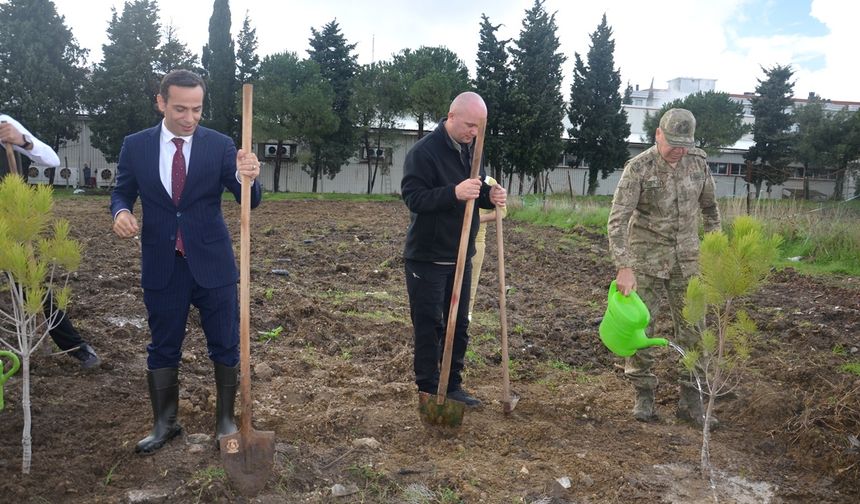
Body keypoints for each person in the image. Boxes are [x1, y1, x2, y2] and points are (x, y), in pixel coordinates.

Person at [110, 69, 262, 454]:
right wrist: (121, 212)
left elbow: (250, 199)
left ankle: (225, 420)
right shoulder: (136, 146)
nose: (189, 118)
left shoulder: (220, 145)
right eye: (180, 109)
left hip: (213, 263)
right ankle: (165, 423)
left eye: (197, 109)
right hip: (163, 263)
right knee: (163, 346)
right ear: (161, 103)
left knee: (225, 343)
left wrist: (248, 176)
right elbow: (121, 191)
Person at [607, 108, 721, 427]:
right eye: (672, 143)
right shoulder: (639, 168)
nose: (678, 150)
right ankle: (643, 395)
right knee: (641, 329)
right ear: (658, 134)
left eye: (684, 144)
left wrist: (715, 252)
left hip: (688, 262)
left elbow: (711, 212)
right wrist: (624, 266)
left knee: (694, 330)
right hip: (646, 263)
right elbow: (617, 221)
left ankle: (691, 401)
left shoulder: (698, 164)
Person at [401, 91, 507, 408]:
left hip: (461, 254)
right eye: (470, 125)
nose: (474, 132)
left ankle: (453, 386)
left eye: (479, 127)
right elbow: (413, 198)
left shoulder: (472, 150)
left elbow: (476, 191)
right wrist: (453, 193)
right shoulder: (424, 153)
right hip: (427, 257)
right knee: (430, 325)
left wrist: (490, 195)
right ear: (451, 117)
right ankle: (429, 389)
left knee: (459, 324)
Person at [0, 114, 101, 369]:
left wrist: (23, 141)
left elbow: (51, 159)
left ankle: (75, 347)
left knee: (32, 286)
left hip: (8, 227)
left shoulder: (3, 124)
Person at [467, 205, 507, 322]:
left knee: (472, 279)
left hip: (477, 239)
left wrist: (477, 218)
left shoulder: (488, 190)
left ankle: (467, 311)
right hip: (451, 239)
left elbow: (502, 212)